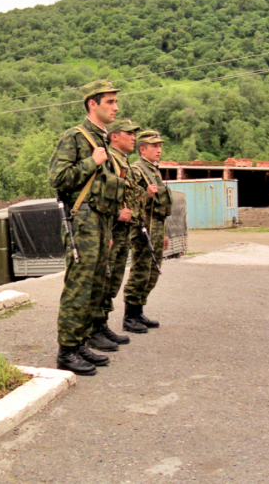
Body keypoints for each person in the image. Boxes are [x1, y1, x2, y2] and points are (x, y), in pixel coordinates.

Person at [48, 79, 125, 376]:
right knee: (79, 285)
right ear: (92, 103)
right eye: (109, 102)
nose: (115, 107)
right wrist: (90, 163)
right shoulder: (76, 137)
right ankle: (66, 350)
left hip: (101, 221)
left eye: (116, 102)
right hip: (82, 221)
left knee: (95, 284)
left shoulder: (102, 138)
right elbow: (57, 178)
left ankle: (80, 341)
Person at [99, 119, 146, 345]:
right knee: (104, 279)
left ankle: (102, 324)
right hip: (112, 228)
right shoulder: (108, 160)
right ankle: (94, 328)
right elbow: (99, 192)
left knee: (114, 279)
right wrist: (115, 212)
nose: (134, 137)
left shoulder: (123, 161)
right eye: (129, 133)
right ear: (115, 136)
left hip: (124, 231)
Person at [123, 129, 171, 332]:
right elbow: (129, 199)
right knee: (141, 269)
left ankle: (139, 311)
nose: (158, 150)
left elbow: (161, 208)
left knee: (152, 271)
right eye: (154, 146)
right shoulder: (136, 170)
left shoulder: (154, 170)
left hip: (157, 226)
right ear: (142, 149)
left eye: (160, 146)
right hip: (143, 226)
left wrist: (165, 232)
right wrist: (146, 194)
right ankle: (130, 316)